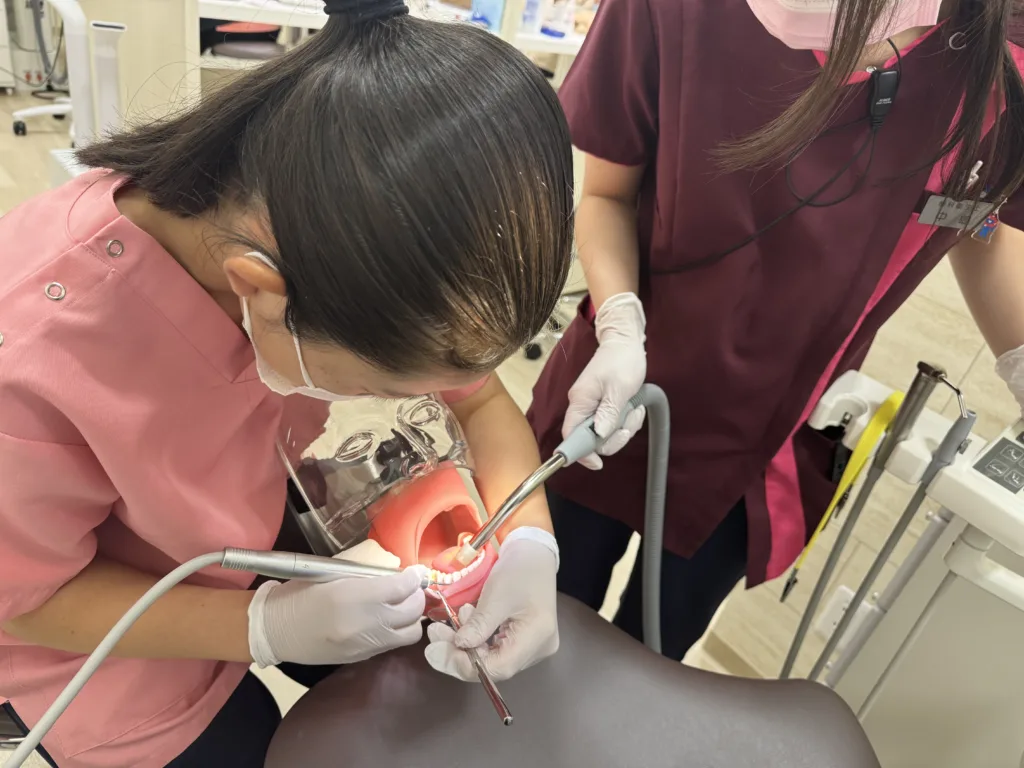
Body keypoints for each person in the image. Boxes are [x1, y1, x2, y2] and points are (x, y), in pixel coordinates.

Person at [0, 1, 571, 765]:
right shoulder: (31, 361)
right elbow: (32, 600)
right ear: (261, 292)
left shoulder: (355, 250)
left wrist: (530, 538)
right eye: (387, 388)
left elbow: (484, 399)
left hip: (244, 540)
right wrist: (263, 627)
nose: (411, 407)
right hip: (96, 647)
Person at [528, 0, 1024, 661]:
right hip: (613, 391)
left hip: (768, 445)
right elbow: (606, 194)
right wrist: (620, 323)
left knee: (651, 660)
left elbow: (983, 224)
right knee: (541, 621)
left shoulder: (1003, 61)